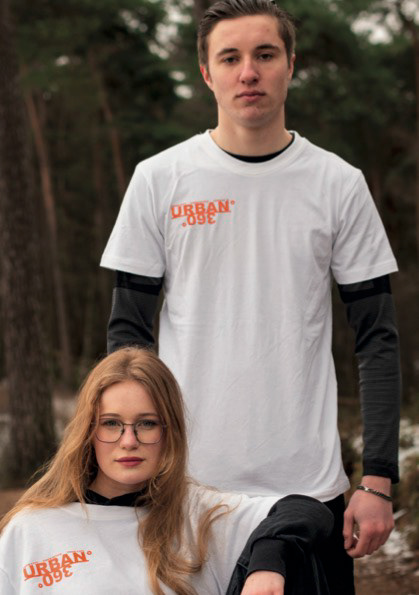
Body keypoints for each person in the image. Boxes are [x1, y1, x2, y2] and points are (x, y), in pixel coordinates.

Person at [100, 1, 401, 592]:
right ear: (206, 73)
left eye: (265, 54)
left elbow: (378, 340)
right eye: (230, 58)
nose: (248, 73)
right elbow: (127, 342)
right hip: (185, 493)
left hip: (309, 492)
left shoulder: (339, 184)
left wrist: (379, 479)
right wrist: (130, 461)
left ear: (291, 64)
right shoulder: (159, 178)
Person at [0, 348, 333, 595]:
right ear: (88, 431)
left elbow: (306, 510)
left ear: (169, 431)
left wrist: (268, 561)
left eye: (146, 423)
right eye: (111, 423)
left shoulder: (201, 514)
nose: (128, 441)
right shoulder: (31, 528)